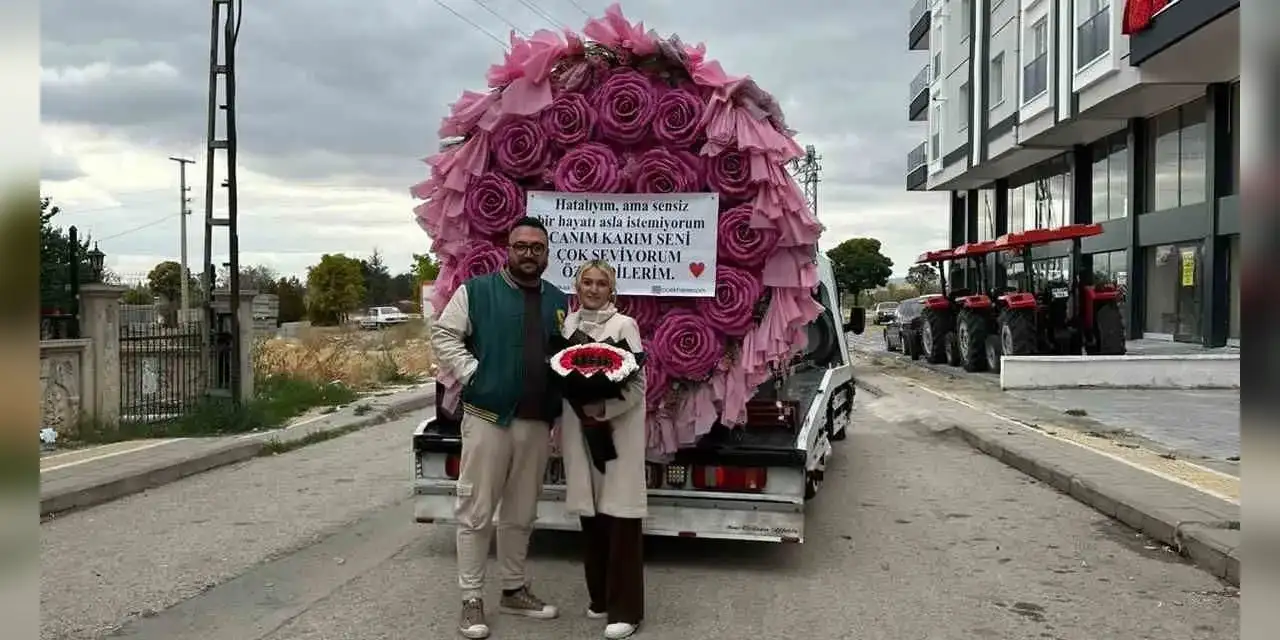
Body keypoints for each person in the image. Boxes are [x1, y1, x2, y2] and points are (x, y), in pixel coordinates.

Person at [430, 216, 569, 639]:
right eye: (521, 246)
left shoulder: (557, 299)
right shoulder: (477, 292)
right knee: (476, 511)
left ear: (547, 254)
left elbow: (563, 354)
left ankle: (513, 589)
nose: (529, 254)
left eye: (537, 248)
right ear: (508, 250)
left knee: (521, 513)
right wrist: (474, 374)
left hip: (535, 421)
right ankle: (471, 599)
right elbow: (444, 335)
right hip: (489, 418)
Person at [559, 259, 648, 640]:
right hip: (580, 433)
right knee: (592, 516)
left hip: (616, 436)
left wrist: (603, 408)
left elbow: (638, 385)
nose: (593, 289)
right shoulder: (568, 325)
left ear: (612, 290)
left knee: (621, 518)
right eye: (587, 282)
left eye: (601, 283)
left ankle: (627, 610)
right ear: (577, 287)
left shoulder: (624, 326)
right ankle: (599, 598)